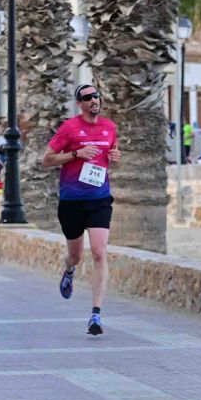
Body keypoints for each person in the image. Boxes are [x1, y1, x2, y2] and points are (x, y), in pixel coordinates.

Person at [41, 84, 120, 335]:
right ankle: (69, 270)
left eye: (96, 96)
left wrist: (116, 159)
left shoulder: (110, 127)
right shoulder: (69, 128)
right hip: (72, 200)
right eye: (87, 98)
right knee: (76, 255)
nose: (93, 100)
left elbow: (110, 159)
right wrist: (76, 153)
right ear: (79, 103)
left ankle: (95, 315)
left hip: (99, 198)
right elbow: (47, 160)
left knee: (99, 252)